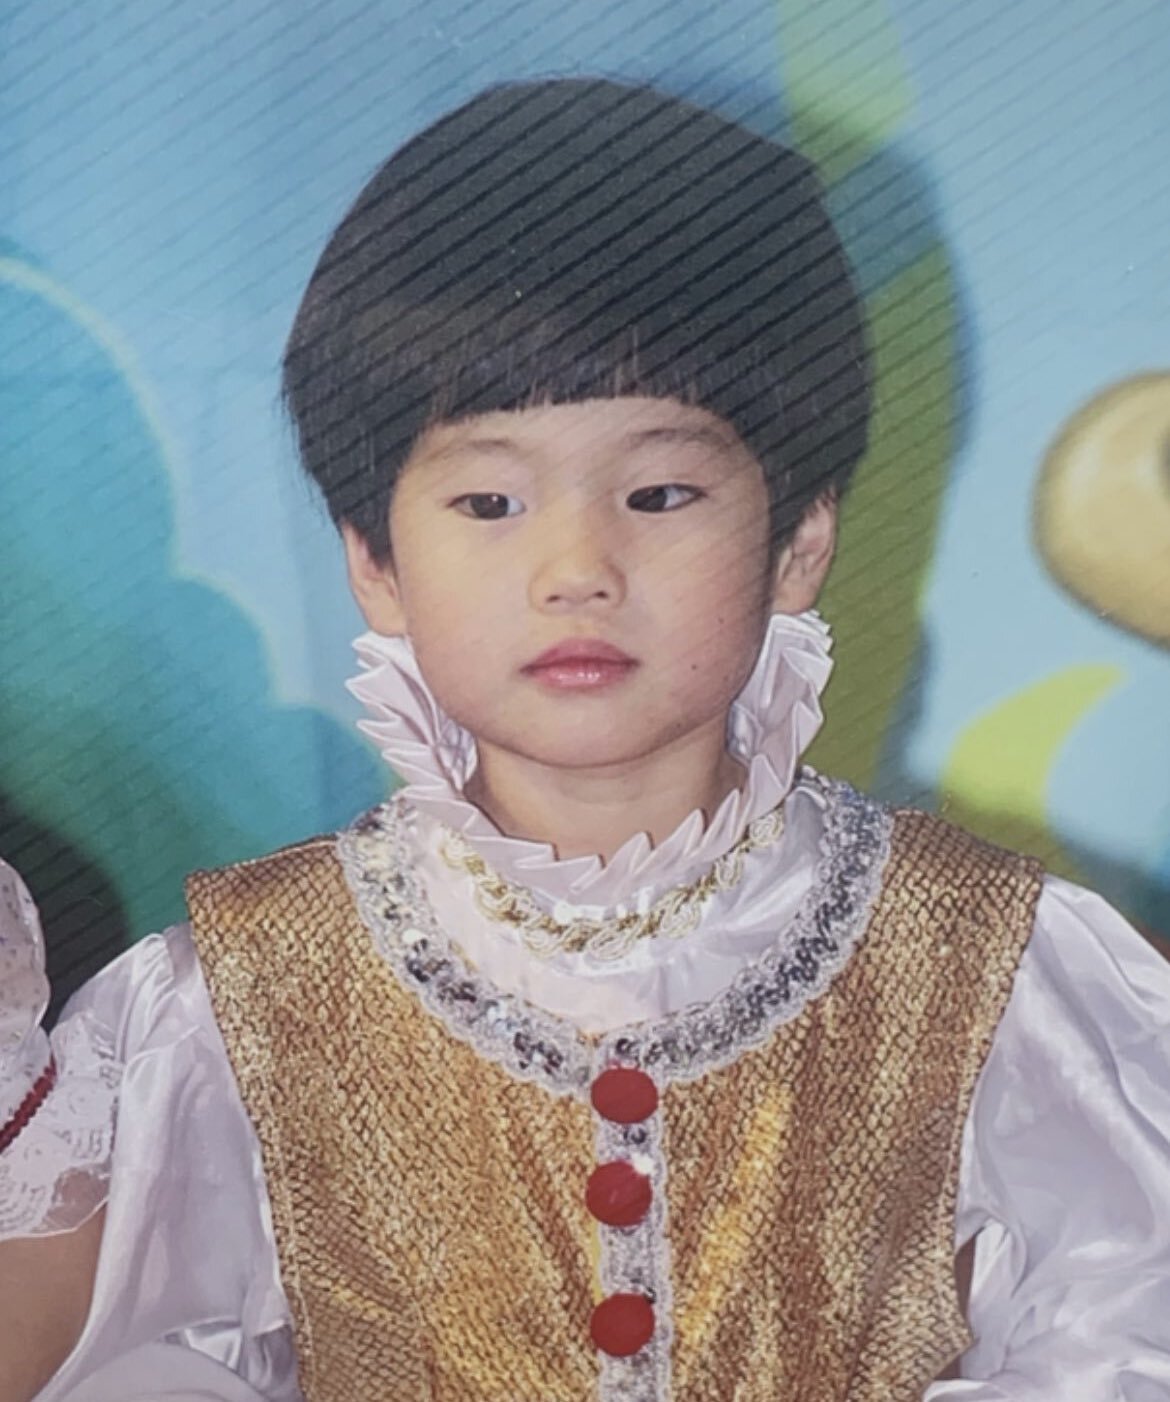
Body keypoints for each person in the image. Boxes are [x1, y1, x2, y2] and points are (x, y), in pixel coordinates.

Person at [2, 77, 1169, 1402]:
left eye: (658, 492)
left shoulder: (994, 966)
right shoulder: (232, 999)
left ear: (798, 540)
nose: (575, 568)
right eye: (489, 501)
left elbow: (1125, 1339)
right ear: (374, 560)